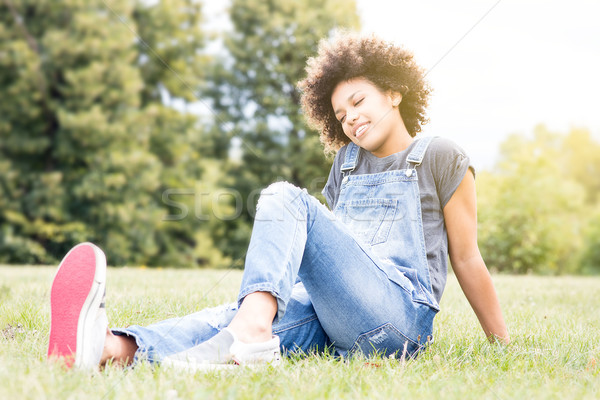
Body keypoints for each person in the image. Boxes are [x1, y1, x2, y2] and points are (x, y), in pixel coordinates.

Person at [47, 32, 509, 371]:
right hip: (339, 320)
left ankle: (252, 333)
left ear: (394, 91)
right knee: (237, 314)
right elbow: (334, 263)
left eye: (358, 101)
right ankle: (111, 349)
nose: (350, 119)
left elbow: (466, 258)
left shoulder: (441, 156)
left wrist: (501, 347)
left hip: (400, 322)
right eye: (341, 115)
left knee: (284, 199)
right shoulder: (346, 165)